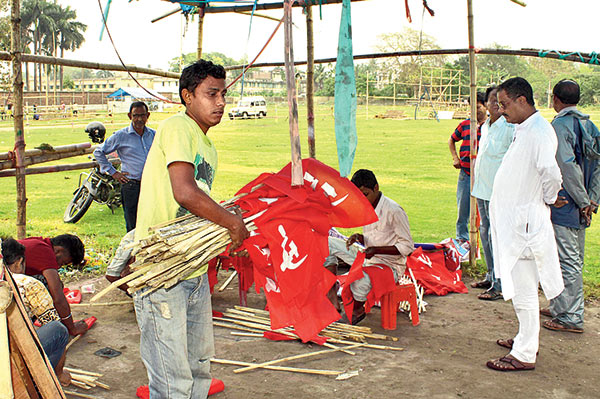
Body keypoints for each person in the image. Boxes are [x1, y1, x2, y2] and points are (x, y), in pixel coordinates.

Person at [134, 59, 249, 398]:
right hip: (162, 269)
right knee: (172, 377)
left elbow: (196, 202)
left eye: (223, 94)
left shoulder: (207, 145)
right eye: (211, 94)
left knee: (198, 367)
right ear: (187, 96)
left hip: (193, 269)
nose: (221, 102)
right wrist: (230, 222)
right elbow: (184, 191)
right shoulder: (178, 127)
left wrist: (228, 217)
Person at [487, 77, 565, 372]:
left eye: (505, 104)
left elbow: (550, 172)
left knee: (524, 292)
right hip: (518, 222)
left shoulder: (540, 132)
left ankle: (524, 353)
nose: (501, 110)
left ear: (522, 101)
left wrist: (548, 197)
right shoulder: (525, 128)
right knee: (525, 290)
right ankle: (525, 339)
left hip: (525, 225)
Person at [541, 79, 600, 334]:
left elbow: (566, 166)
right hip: (583, 202)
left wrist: (584, 200)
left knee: (567, 259)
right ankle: (561, 306)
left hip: (567, 201)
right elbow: (597, 167)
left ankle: (571, 316)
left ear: (555, 99)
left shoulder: (559, 126)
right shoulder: (590, 124)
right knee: (569, 256)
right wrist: (593, 198)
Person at [329, 169, 414, 325]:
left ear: (376, 188)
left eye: (365, 194)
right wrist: (360, 238)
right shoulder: (366, 207)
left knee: (360, 279)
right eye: (359, 196)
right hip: (368, 256)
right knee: (328, 243)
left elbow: (407, 246)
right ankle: (331, 292)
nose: (363, 200)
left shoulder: (394, 211)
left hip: (389, 265)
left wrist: (376, 250)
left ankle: (357, 309)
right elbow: (375, 236)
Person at [1, 238, 71, 386]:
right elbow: (53, 322)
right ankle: (42, 379)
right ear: (19, 262)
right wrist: (60, 372)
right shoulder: (28, 283)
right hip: (10, 362)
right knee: (58, 330)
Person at [470, 86, 515, 300]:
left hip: (499, 192)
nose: (496, 104)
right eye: (492, 100)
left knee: (496, 237)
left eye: (500, 100)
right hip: (482, 189)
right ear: (486, 103)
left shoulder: (509, 127)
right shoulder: (486, 126)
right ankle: (491, 275)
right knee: (485, 234)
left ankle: (500, 283)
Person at [94, 101, 156, 232]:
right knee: (132, 224)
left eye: (142, 115)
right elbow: (98, 152)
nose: (139, 119)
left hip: (151, 185)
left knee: (152, 221)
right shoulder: (121, 135)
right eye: (135, 115)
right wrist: (113, 172)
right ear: (129, 116)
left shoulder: (154, 135)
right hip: (131, 185)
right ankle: (133, 251)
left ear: (148, 115)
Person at [18, 234, 88, 336]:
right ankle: (24, 327)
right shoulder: (46, 252)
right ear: (58, 250)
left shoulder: (39, 242)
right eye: (62, 262)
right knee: (47, 287)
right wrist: (72, 329)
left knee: (55, 284)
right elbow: (58, 298)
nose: (58, 266)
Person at [448, 92, 487, 242]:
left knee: (484, 212)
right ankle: (462, 240)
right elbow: (451, 140)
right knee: (463, 209)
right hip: (466, 172)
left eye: (478, 107)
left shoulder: (490, 127)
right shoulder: (465, 125)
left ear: (485, 107)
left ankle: (483, 241)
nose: (475, 111)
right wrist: (455, 157)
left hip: (484, 174)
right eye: (472, 108)